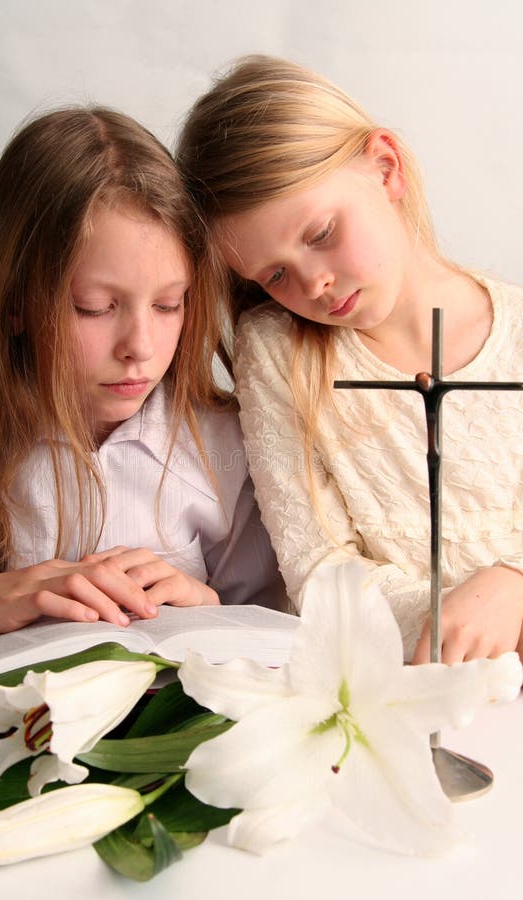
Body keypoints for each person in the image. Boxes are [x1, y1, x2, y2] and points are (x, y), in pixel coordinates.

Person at [176, 54, 523, 664]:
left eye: (320, 235)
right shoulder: (279, 352)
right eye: (275, 273)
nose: (314, 285)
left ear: (385, 168)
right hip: (400, 679)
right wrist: (453, 624)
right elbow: (319, 572)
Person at [0, 105, 284, 640]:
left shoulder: (226, 442)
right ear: (15, 303)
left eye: (168, 306)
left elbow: (274, 636)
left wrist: (209, 606)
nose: (140, 348)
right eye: (94, 307)